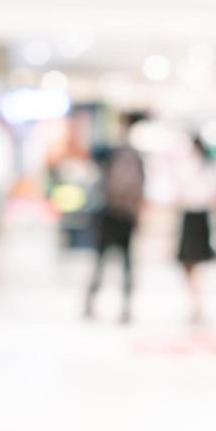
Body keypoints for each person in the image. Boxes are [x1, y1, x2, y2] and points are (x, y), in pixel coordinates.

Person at [84, 112, 146, 324]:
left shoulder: (115, 154)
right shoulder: (128, 156)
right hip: (121, 214)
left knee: (106, 261)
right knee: (117, 263)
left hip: (113, 213)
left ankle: (102, 303)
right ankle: (117, 305)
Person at [176, 136, 216, 324]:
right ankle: (195, 301)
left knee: (194, 263)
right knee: (189, 263)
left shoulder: (200, 168)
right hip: (194, 216)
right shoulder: (199, 168)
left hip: (196, 216)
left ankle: (197, 301)